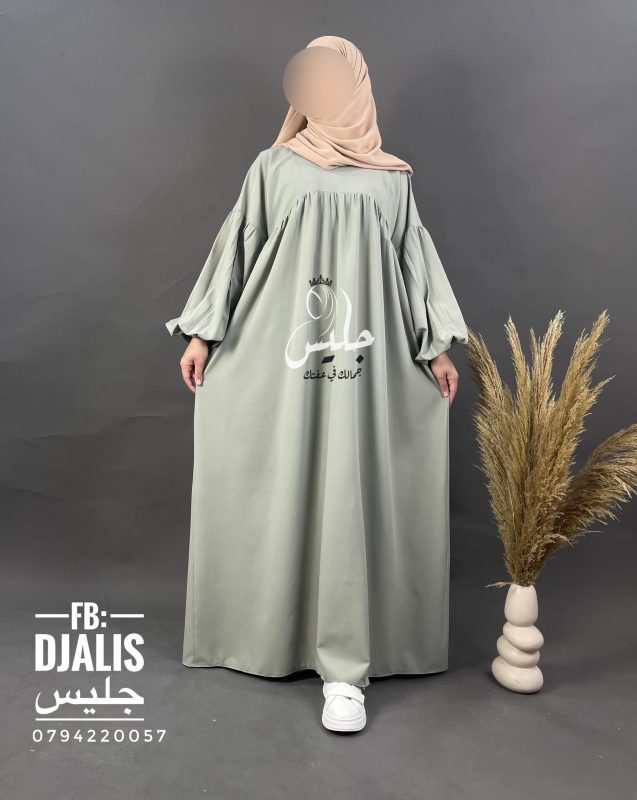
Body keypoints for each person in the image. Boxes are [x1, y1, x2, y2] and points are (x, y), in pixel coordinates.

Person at [165, 35, 468, 734]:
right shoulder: (273, 167)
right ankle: (267, 636)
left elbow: (412, 264)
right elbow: (240, 244)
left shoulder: (392, 179)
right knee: (282, 481)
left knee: (352, 490)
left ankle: (345, 672)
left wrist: (436, 348)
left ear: (357, 85)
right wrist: (203, 333)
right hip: (280, 357)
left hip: (368, 365)